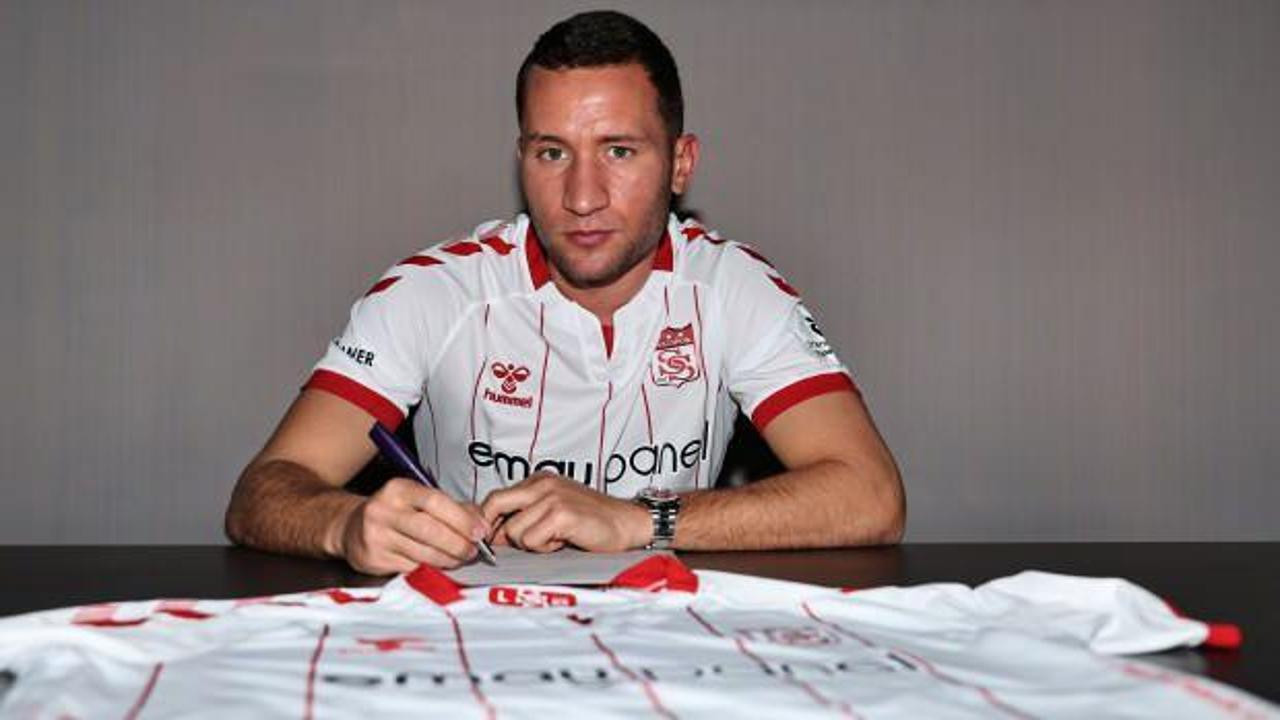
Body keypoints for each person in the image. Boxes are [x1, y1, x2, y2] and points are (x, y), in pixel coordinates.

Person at [224, 10, 904, 575]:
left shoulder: (734, 289)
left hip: (665, 639)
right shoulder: (432, 292)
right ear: (521, 158)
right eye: (552, 152)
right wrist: (345, 525)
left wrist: (638, 520)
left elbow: (871, 494)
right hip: (468, 635)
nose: (581, 197)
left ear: (680, 164)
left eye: (618, 151)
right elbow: (265, 489)